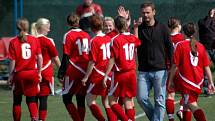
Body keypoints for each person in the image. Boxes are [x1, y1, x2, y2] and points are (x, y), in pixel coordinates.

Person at [168, 22, 215, 121]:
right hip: (198, 81)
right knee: (186, 105)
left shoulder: (180, 45)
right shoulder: (200, 46)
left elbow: (175, 66)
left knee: (192, 105)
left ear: (183, 33)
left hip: (187, 82)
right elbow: (206, 66)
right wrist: (211, 82)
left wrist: (171, 80)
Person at [135, 2, 173, 121]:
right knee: (141, 98)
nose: (145, 15)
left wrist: (172, 66)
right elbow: (134, 43)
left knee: (159, 100)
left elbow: (169, 48)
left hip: (160, 70)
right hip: (143, 70)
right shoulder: (138, 28)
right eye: (143, 13)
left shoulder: (163, 28)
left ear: (154, 12)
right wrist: (135, 27)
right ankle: (155, 119)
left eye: (148, 12)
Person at [103, 16, 141, 121]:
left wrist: (106, 75)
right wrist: (136, 28)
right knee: (128, 101)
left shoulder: (115, 39)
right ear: (126, 25)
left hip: (121, 74)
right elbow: (137, 42)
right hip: (132, 73)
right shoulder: (132, 37)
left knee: (111, 101)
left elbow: (112, 59)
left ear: (115, 26)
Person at [81, 14, 117, 121]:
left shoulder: (93, 41)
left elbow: (92, 61)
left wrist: (86, 77)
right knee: (106, 102)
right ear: (101, 25)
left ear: (91, 28)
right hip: (109, 73)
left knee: (90, 100)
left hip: (99, 75)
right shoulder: (108, 38)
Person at [8, 18, 43, 121]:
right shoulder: (35, 40)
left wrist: (10, 75)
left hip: (20, 75)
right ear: (28, 27)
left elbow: (12, 61)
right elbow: (40, 57)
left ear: (17, 27)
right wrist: (39, 72)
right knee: (32, 100)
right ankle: (34, 118)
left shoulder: (13, 41)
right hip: (32, 73)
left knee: (17, 101)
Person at [57, 13, 91, 121]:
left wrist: (61, 72)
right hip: (85, 70)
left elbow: (66, 56)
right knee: (80, 98)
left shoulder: (68, 35)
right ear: (78, 22)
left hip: (74, 69)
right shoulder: (86, 35)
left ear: (68, 24)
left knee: (66, 98)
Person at [31, 18, 61, 121]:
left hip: (32, 72)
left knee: (33, 98)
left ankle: (34, 118)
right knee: (43, 98)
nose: (49, 29)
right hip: (45, 73)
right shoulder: (48, 41)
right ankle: (41, 119)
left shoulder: (30, 40)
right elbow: (55, 58)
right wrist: (61, 71)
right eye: (48, 27)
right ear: (42, 27)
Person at [166, 17, 185, 121]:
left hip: (168, 69)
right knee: (186, 93)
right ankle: (181, 109)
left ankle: (171, 118)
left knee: (170, 95)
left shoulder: (166, 38)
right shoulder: (182, 38)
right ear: (178, 26)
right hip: (180, 69)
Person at [198, 8, 215, 95]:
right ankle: (207, 89)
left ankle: (213, 87)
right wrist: (210, 17)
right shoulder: (202, 21)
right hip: (205, 49)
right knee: (205, 69)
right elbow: (206, 26)